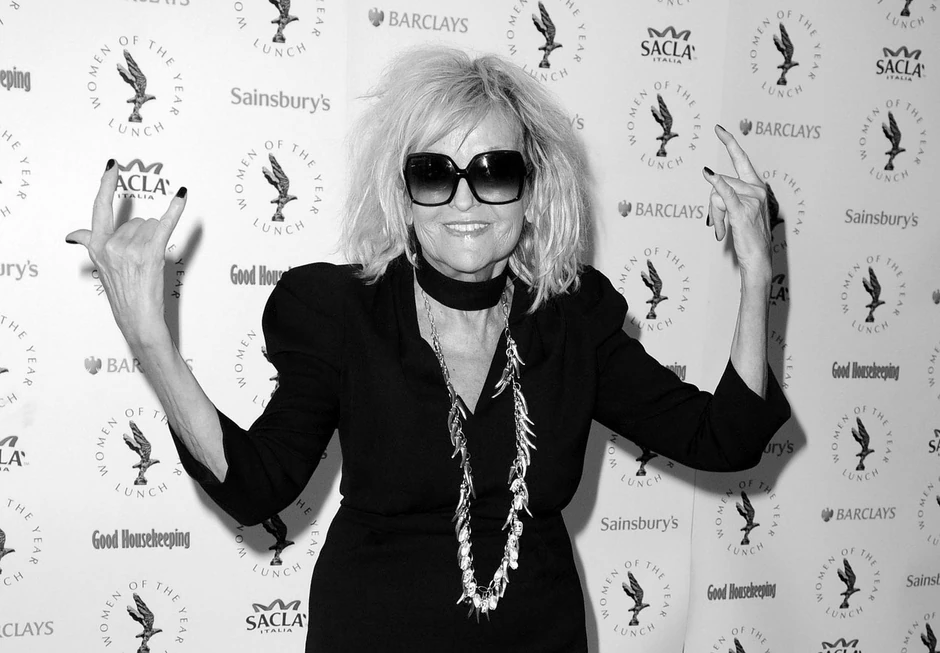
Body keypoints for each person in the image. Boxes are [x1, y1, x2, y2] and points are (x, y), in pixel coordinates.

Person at [66, 47, 790, 652]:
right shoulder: (341, 313)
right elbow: (257, 485)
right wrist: (150, 337)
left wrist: (757, 272)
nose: (464, 200)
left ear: (533, 189)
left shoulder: (572, 319)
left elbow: (723, 438)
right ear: (403, 192)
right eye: (435, 173)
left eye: (494, 170)